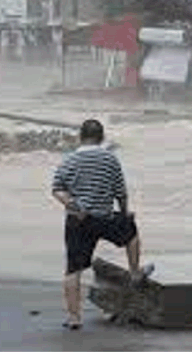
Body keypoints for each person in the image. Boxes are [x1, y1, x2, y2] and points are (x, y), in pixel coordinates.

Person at [51, 119, 153, 330]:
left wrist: (71, 204)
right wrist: (125, 214)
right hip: (104, 218)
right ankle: (134, 272)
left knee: (73, 270)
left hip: (78, 220)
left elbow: (56, 188)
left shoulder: (70, 158)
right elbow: (120, 193)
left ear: (81, 136)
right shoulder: (110, 159)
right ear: (102, 137)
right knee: (131, 234)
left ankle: (74, 317)